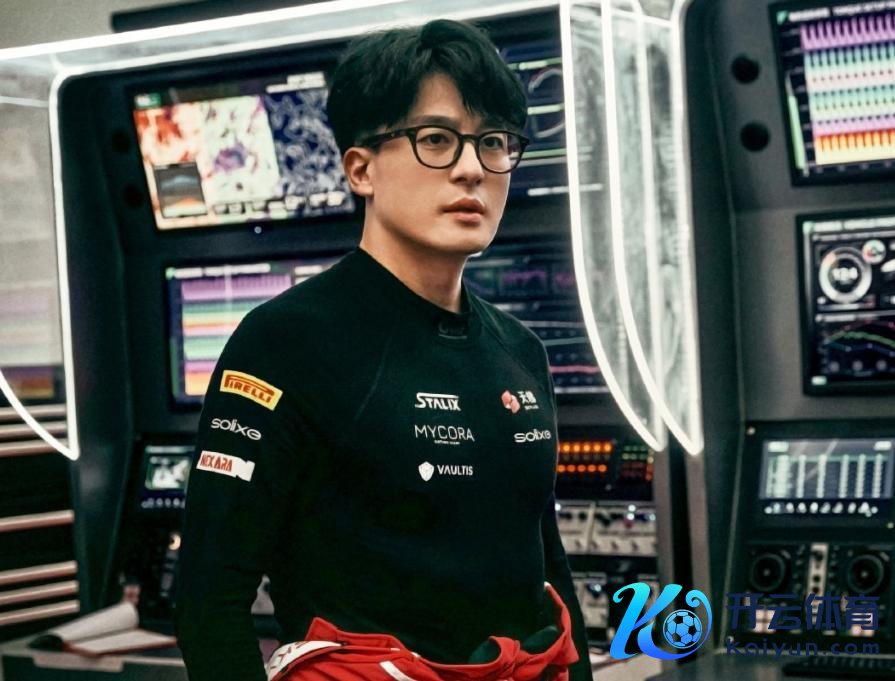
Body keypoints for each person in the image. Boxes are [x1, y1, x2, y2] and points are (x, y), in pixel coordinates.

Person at [175, 18, 592, 681]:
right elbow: (208, 599)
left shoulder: (519, 350)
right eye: (436, 139)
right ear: (361, 169)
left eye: (493, 142)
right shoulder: (285, 342)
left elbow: (545, 568)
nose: (471, 168)